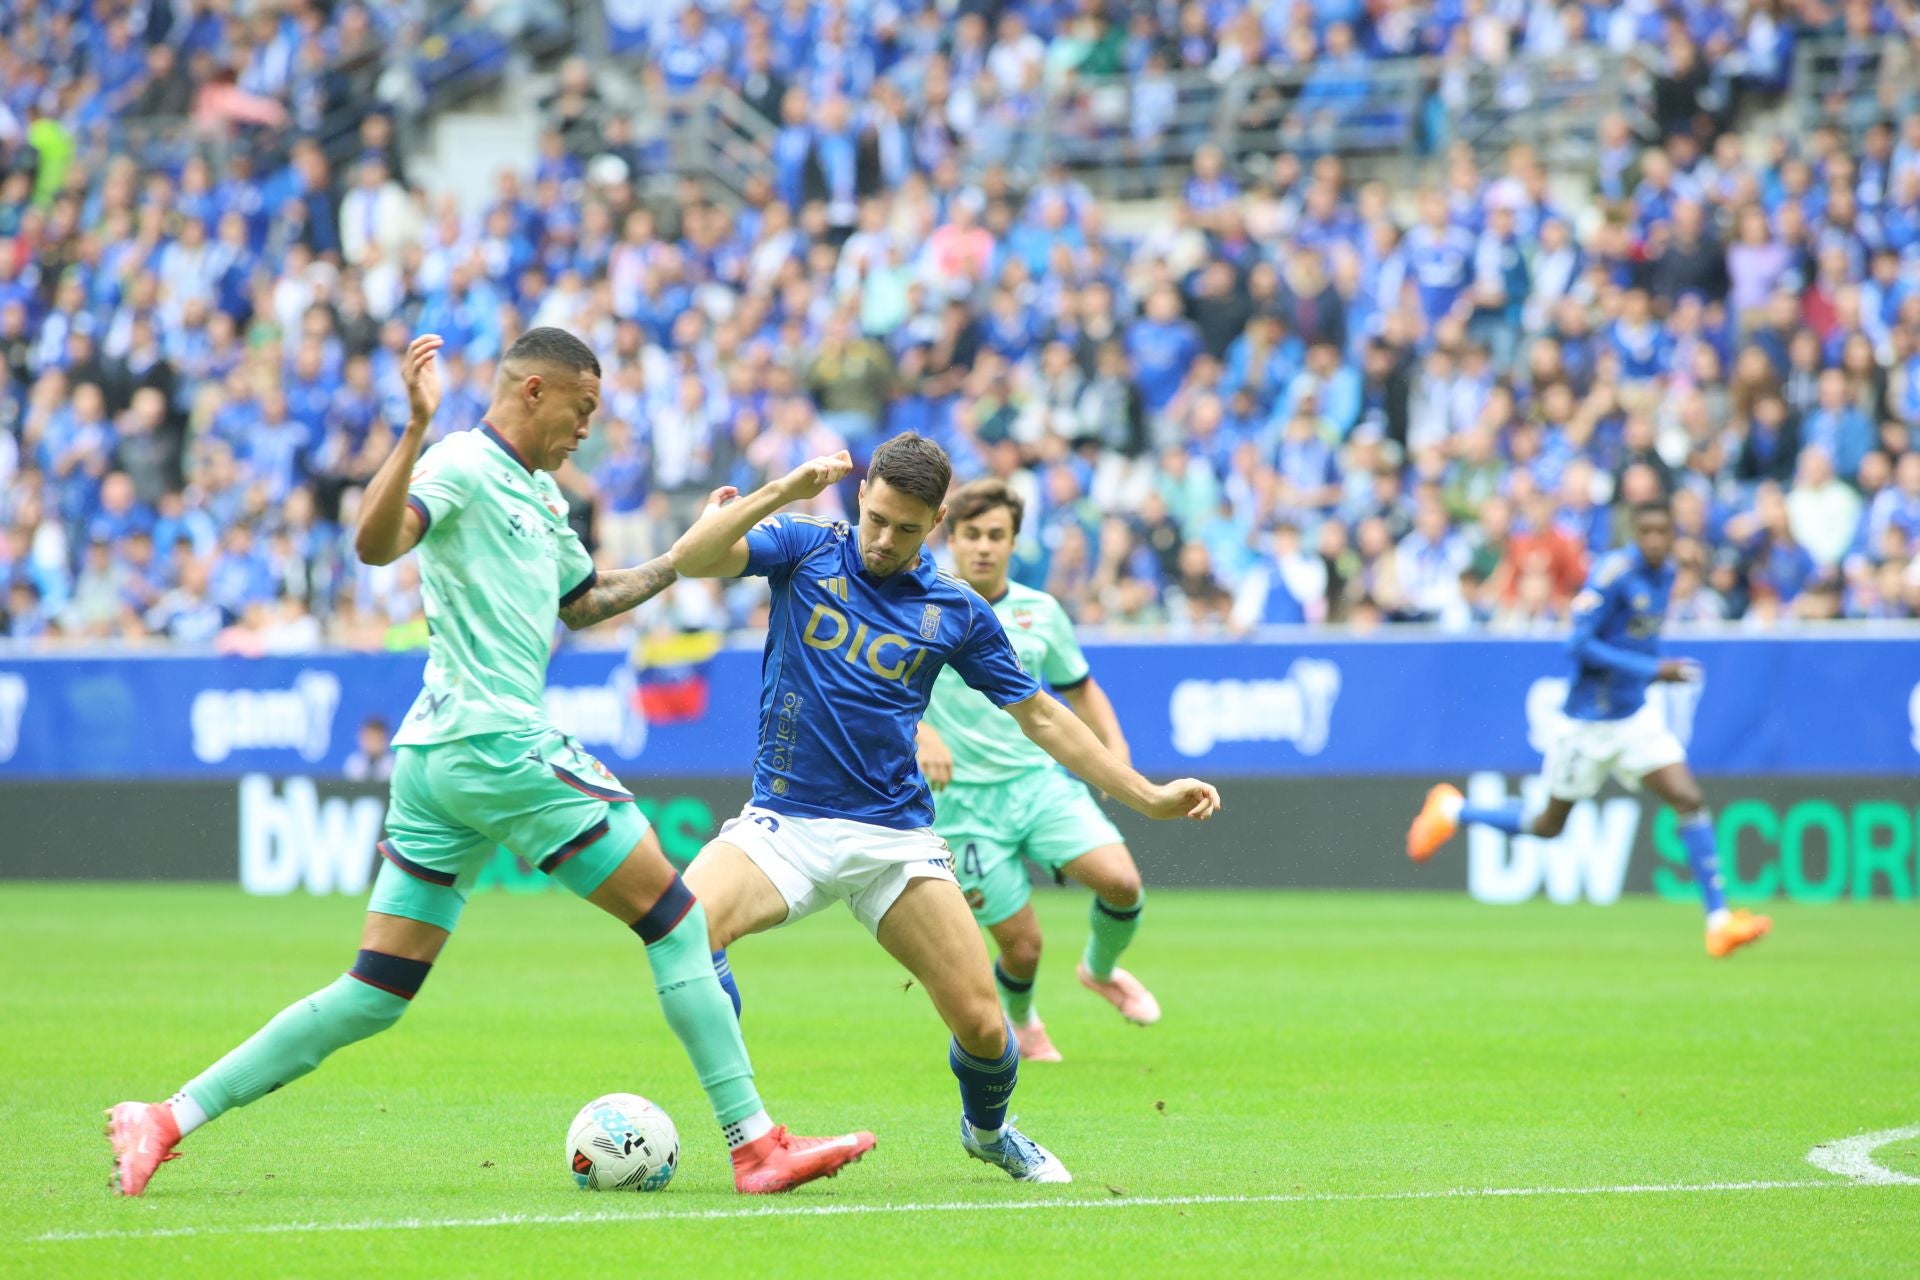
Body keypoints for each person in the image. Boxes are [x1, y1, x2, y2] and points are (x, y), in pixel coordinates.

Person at [106, 329, 874, 1197]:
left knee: (376, 990)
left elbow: (586, 604)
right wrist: (413, 430)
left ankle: (166, 1117)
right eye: (582, 409)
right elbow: (375, 542)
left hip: (437, 763)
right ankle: (756, 1144)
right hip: (492, 741)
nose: (589, 428)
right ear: (535, 391)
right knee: (673, 918)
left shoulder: (543, 501)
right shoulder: (462, 464)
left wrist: (679, 553)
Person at [670, 433, 1221, 1185]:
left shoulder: (954, 609)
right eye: (876, 519)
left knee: (987, 1028)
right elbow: (693, 559)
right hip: (785, 821)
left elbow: (1047, 717)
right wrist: (778, 491)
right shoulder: (803, 546)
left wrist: (1146, 794)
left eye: (906, 528)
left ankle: (990, 1133)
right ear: (860, 496)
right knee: (683, 931)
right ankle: (753, 1136)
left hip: (893, 837)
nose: (884, 541)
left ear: (934, 526)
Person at [1406, 500, 1772, 959]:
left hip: (1634, 717)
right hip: (1587, 724)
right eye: (1649, 533)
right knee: (1547, 825)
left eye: (1665, 533)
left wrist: (1645, 674)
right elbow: (1576, 644)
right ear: (1636, 535)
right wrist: (1651, 670)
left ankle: (1718, 922)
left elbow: (1639, 635)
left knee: (1689, 798)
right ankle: (1454, 810)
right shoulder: (1613, 573)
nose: (1657, 541)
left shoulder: (1668, 574)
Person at [913, 478, 1157, 1063]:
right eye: (971, 534)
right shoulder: (920, 607)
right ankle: (1022, 1018)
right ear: (951, 538)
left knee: (1122, 883)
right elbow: (879, 691)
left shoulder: (1041, 612)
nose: (983, 547)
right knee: (1022, 949)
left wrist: (1115, 756)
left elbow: (1081, 689)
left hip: (1038, 785)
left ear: (1014, 542)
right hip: (963, 805)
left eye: (996, 535)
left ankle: (1100, 971)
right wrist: (922, 732)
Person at [343, 714, 395, 781]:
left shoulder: (393, 764)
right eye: (370, 738)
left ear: (386, 740)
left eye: (377, 739)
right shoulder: (354, 762)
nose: (373, 743)